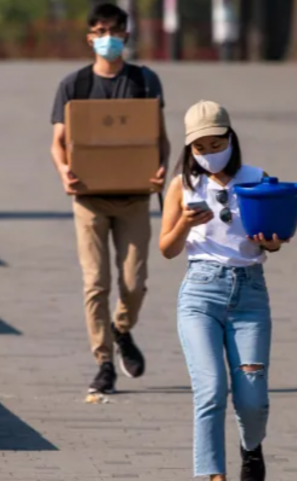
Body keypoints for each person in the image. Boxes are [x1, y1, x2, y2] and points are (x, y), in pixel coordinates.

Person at [159, 100, 287, 481]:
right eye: (200, 147)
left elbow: (274, 240)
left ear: (231, 138)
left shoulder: (256, 179)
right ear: (189, 148)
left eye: (217, 142)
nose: (210, 152)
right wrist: (184, 223)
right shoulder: (182, 185)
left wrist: (271, 240)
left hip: (249, 293)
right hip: (200, 292)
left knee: (252, 399)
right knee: (210, 389)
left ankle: (252, 446)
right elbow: (166, 248)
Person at [50, 3, 170, 395]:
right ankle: (103, 361)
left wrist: (160, 170)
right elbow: (58, 143)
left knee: (134, 281)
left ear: (126, 36)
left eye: (114, 32)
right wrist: (64, 170)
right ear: (89, 38)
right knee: (95, 282)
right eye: (100, 32)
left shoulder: (145, 82)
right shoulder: (74, 86)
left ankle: (122, 329)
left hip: (135, 197)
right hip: (89, 200)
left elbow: (158, 138)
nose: (108, 39)